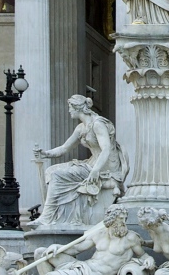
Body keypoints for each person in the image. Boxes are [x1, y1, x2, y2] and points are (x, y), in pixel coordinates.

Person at [0, 206, 145, 275]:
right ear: (110, 221)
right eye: (119, 220)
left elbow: (143, 255)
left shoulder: (130, 238)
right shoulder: (99, 233)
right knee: (41, 253)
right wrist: (57, 246)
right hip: (84, 266)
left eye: (123, 220)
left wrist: (148, 260)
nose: (122, 223)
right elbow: (77, 248)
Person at [27, 96, 127, 231]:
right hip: (93, 163)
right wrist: (45, 153)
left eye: (70, 108)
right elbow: (64, 148)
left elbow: (106, 149)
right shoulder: (81, 128)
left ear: (77, 107)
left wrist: (95, 170)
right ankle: (54, 216)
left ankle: (47, 216)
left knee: (57, 175)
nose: (69, 111)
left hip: (104, 166)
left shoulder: (97, 124)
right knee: (51, 171)